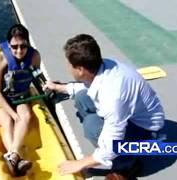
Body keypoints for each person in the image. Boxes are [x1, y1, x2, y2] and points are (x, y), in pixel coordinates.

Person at [43, 34, 165, 179]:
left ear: (80, 69)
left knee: (91, 125)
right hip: (130, 115)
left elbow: (113, 140)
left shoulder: (113, 95)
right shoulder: (101, 66)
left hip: (147, 131)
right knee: (82, 97)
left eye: (69, 64)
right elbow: (87, 85)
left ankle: (126, 165)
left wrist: (81, 163)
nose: (67, 67)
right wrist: (59, 87)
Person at [0, 24, 41, 176]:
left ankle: (13, 155)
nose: (19, 50)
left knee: (26, 116)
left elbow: (36, 75)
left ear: (28, 44)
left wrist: (47, 86)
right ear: (8, 45)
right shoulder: (1, 59)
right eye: (14, 46)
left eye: (23, 46)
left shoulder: (35, 56)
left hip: (20, 95)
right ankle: (17, 157)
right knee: (8, 121)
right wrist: (12, 114)